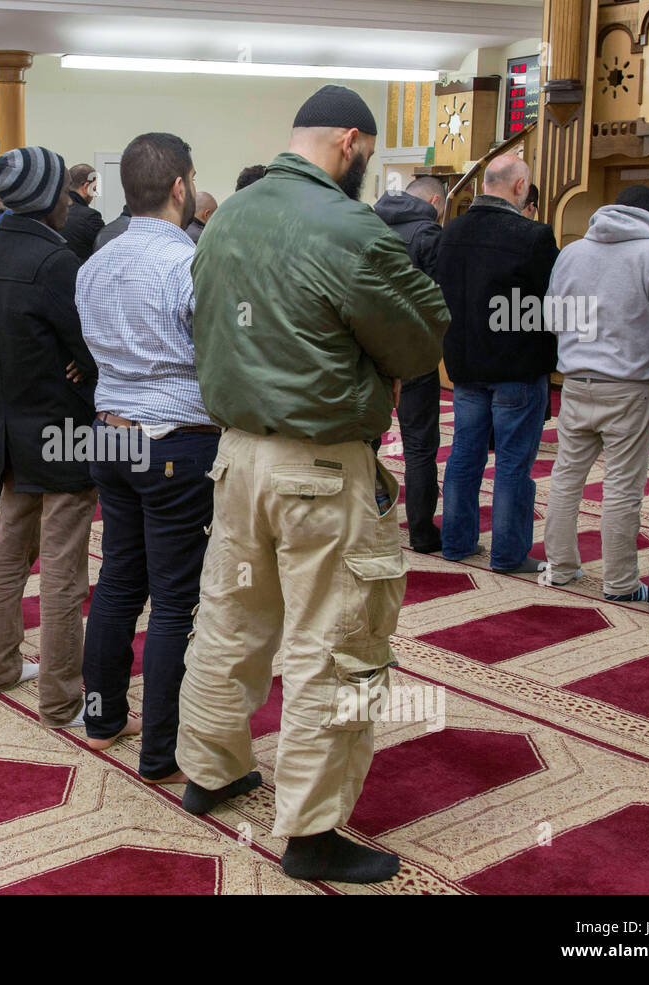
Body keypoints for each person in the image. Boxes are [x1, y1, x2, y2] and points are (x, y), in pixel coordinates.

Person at [179, 85, 450, 883]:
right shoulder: (349, 225)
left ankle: (211, 768)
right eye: (365, 153)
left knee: (232, 619)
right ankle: (313, 829)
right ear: (351, 141)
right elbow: (417, 337)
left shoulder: (227, 213)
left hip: (235, 459)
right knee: (338, 647)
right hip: (320, 470)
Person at [77, 132, 215, 783]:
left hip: (110, 433)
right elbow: (215, 355)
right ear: (182, 187)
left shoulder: (94, 263)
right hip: (174, 442)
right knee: (173, 601)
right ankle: (161, 751)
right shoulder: (188, 261)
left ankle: (103, 718)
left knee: (117, 581)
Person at [0, 145, 98, 729]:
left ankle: (0, 668)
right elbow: (90, 347)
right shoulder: (57, 263)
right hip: (63, 433)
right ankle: (60, 700)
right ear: (51, 199)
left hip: (9, 427)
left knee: (8, 551)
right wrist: (79, 366)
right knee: (64, 570)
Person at [543, 186, 649, 602]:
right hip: (627, 387)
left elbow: (552, 317)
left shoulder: (571, 253)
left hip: (575, 383)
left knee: (566, 478)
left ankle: (562, 567)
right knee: (622, 487)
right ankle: (620, 583)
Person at [434, 154, 559, 573]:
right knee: (511, 464)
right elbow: (551, 305)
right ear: (521, 187)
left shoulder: (450, 233)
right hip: (517, 370)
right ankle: (507, 555)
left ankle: (455, 543)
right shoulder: (534, 237)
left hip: (465, 367)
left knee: (464, 456)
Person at [373, 174, 446, 552]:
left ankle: (365, 522)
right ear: (434, 201)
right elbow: (436, 302)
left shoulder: (367, 224)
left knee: (365, 441)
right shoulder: (428, 234)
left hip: (370, 352)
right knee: (419, 447)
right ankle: (420, 532)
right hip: (413, 356)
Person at [59, 163, 106, 261]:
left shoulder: (54, 212)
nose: (94, 195)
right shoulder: (90, 217)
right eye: (94, 189)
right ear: (86, 187)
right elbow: (104, 253)